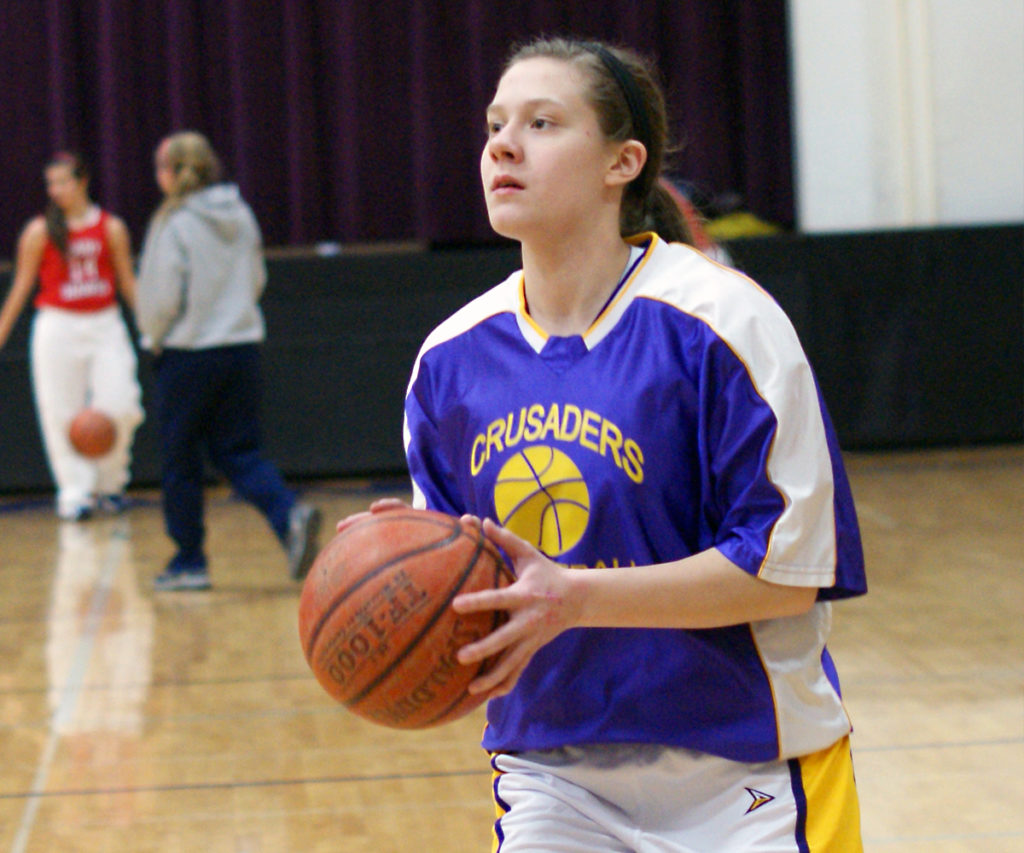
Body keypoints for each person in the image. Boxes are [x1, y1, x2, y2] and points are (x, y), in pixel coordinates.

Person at [344, 37, 868, 851]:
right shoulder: (450, 360)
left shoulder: (726, 324)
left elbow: (784, 572)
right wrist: (412, 558)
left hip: (749, 771)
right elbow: (475, 602)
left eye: (543, 122)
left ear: (623, 162)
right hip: (552, 771)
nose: (502, 145)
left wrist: (577, 596)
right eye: (495, 124)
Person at [135, 131, 320, 591]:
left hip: (188, 355)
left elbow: (160, 296)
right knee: (240, 452)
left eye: (161, 167)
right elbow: (256, 277)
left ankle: (189, 561)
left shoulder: (172, 221)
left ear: (175, 172)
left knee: (181, 461)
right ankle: (288, 516)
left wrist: (153, 338)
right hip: (241, 350)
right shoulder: (240, 213)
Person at [0, 151, 144, 521]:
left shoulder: (111, 227)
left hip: (104, 322)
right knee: (59, 410)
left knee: (122, 405)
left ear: (82, 181)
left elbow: (129, 283)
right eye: (51, 183)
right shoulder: (39, 231)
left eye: (63, 181)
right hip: (57, 324)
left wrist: (151, 329)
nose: (56, 189)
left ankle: (110, 485)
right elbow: (21, 287)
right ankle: (74, 492)